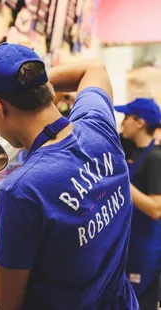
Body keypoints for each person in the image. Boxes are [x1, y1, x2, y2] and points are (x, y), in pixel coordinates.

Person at [0, 43, 138, 310]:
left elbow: (8, 302)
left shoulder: (23, 189)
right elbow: (93, 68)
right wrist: (28, 83)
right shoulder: (97, 126)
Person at [114, 98, 161, 310]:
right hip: (132, 241)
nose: (123, 122)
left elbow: (156, 209)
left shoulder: (155, 158)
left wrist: (121, 180)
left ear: (139, 122)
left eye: (126, 117)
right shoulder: (134, 151)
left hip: (146, 246)